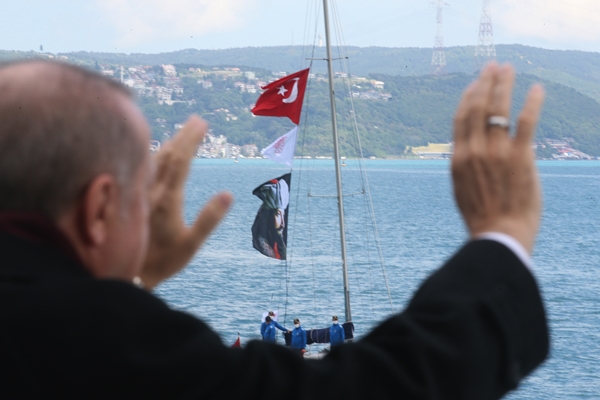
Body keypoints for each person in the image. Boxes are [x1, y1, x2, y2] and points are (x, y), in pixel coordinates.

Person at [0, 59, 548, 399]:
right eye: (140, 197)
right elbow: (385, 388)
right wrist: (502, 234)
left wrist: (129, 279)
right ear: (99, 208)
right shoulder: (94, 338)